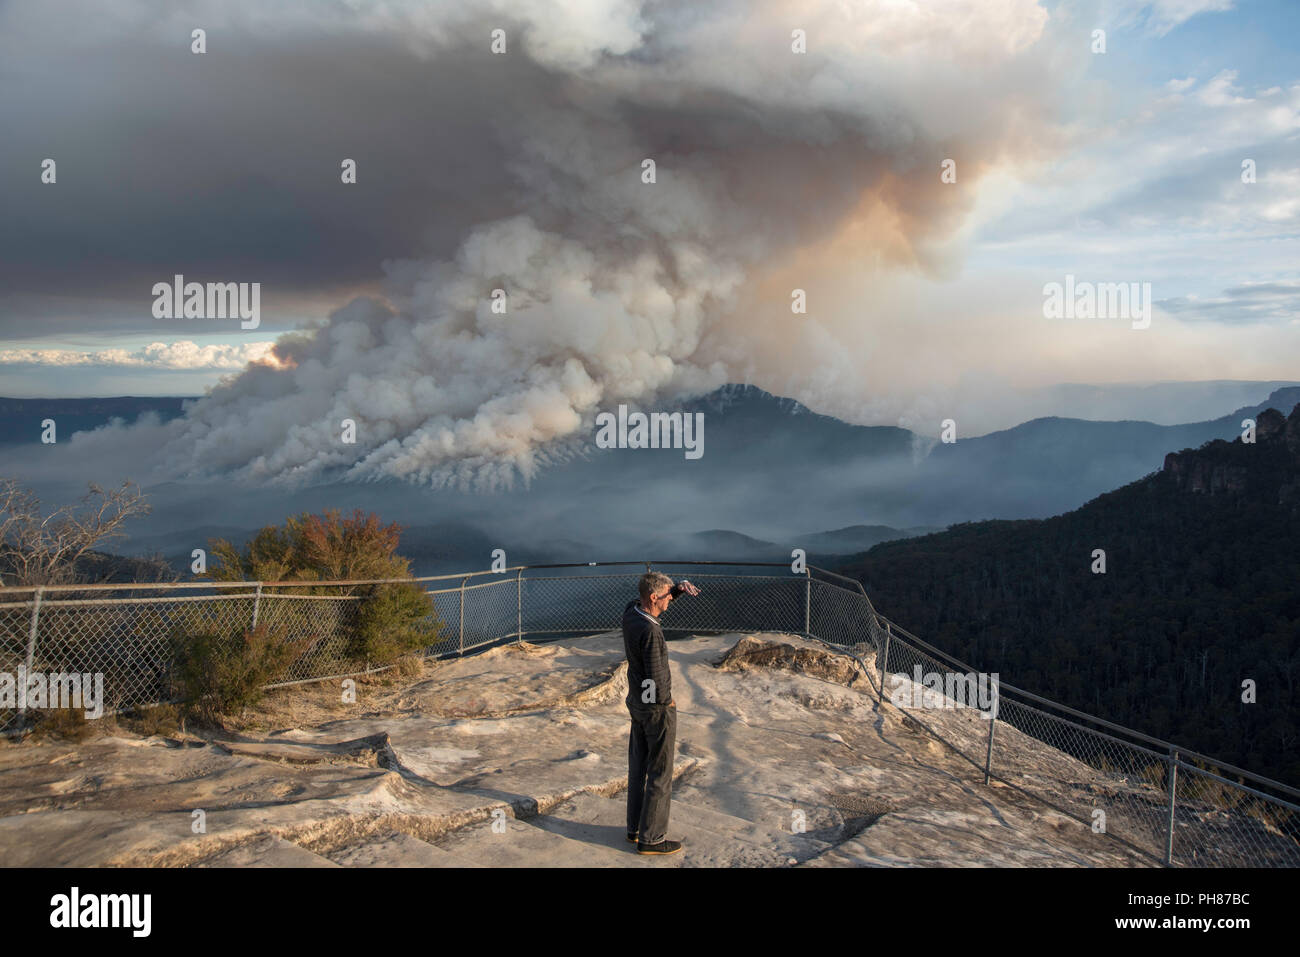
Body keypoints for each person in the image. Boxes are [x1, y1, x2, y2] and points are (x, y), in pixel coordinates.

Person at [621, 571, 700, 855]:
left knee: (638, 766)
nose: (670, 601)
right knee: (660, 772)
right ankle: (652, 839)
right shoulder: (652, 632)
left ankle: (634, 829)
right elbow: (655, 677)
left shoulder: (631, 613)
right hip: (655, 708)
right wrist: (666, 705)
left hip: (636, 703)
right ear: (653, 598)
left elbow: (640, 598)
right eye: (666, 597)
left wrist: (676, 590)